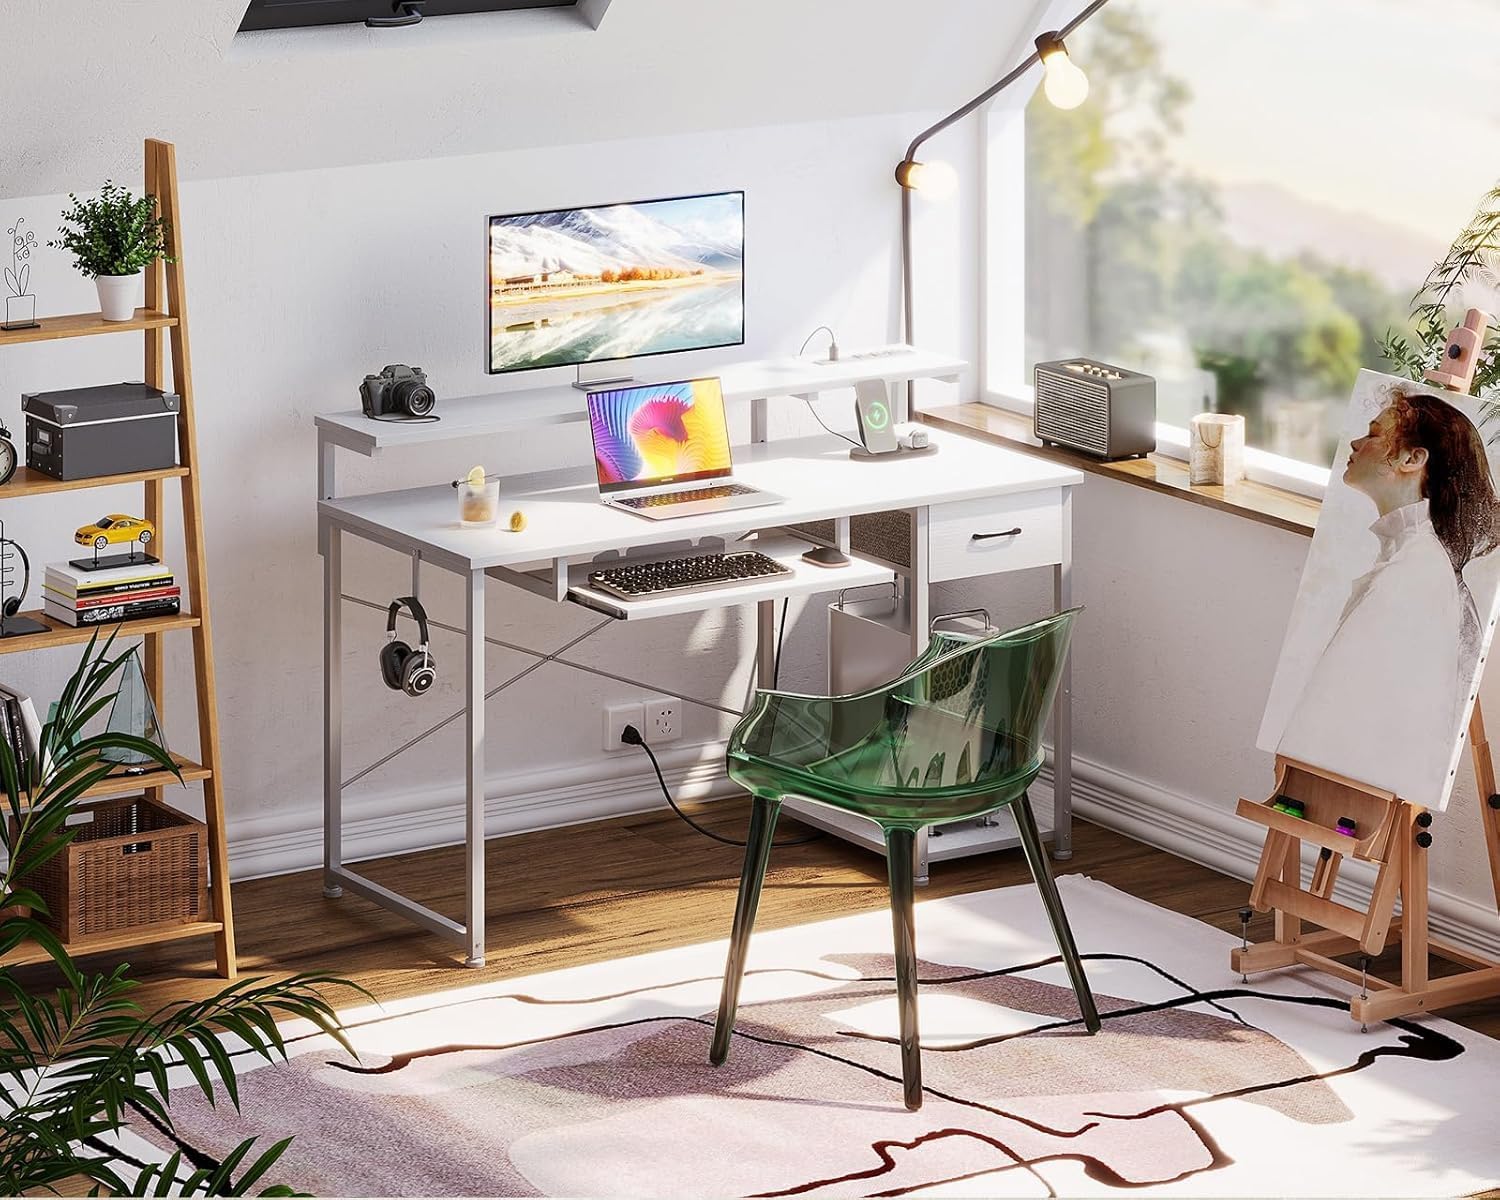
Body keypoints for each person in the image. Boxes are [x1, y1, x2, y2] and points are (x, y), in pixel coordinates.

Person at [1278, 386, 1500, 805]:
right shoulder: (1412, 557)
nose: (1357, 443)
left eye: (1374, 434)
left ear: (1412, 459)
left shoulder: (1414, 571)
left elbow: (1332, 708)